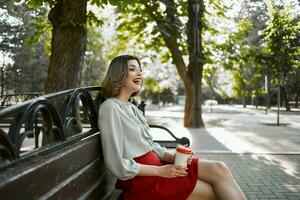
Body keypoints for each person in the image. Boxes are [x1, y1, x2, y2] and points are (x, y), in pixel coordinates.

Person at [98, 55, 246, 200]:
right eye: (132, 69)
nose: (139, 73)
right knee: (214, 192)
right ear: (119, 74)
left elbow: (149, 146)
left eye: (140, 69)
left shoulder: (131, 107)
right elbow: (116, 163)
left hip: (159, 167)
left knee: (219, 168)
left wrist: (172, 157)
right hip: (144, 180)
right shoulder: (110, 108)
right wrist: (160, 171)